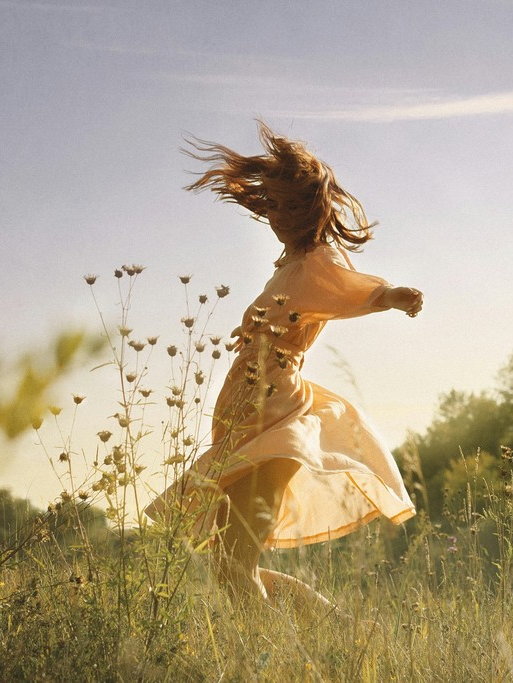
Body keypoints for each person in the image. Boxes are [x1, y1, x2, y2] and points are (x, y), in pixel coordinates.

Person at [145, 121, 423, 615]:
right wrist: (252, 332)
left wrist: (392, 297)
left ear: (311, 207)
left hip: (273, 410)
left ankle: (290, 653)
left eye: (288, 205)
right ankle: (339, 631)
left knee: (234, 566)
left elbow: (349, 290)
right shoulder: (291, 263)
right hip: (244, 410)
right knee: (228, 563)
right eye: (272, 204)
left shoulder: (316, 261)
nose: (277, 215)